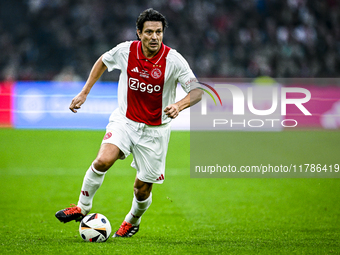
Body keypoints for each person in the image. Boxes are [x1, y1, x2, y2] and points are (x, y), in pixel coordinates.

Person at [55, 8, 203, 238]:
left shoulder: (173, 60)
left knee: (141, 189)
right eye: (149, 32)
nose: (154, 37)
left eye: (159, 32)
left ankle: (132, 220)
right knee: (103, 161)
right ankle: (82, 207)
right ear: (139, 33)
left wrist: (179, 105)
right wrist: (84, 92)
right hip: (125, 121)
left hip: (155, 131)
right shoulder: (126, 51)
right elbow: (102, 61)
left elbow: (197, 91)